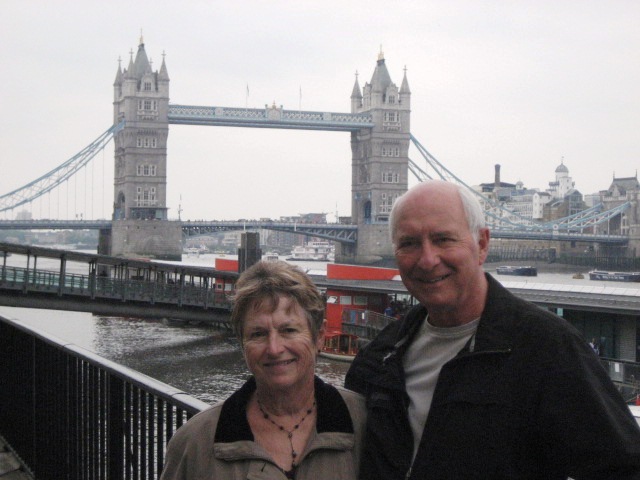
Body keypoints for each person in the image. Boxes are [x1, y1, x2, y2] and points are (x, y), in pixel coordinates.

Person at [345, 180, 640, 479]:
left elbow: (623, 468)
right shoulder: (379, 356)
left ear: (482, 244)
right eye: (409, 243)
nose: (428, 260)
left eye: (444, 239)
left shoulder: (548, 348)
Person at [161, 260, 366, 480]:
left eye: (288, 330)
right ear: (242, 344)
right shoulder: (194, 445)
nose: (274, 348)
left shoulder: (366, 425)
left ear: (319, 336)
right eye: (258, 334)